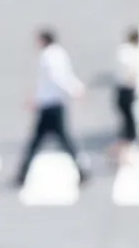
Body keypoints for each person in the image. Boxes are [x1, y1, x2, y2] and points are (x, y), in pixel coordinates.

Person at [15, 28, 89, 186]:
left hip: (50, 105)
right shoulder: (59, 54)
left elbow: (57, 78)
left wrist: (73, 90)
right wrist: (76, 88)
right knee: (56, 140)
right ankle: (81, 170)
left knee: (43, 141)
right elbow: (65, 76)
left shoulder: (48, 56)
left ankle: (22, 174)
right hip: (54, 103)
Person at [112, 28, 139, 164]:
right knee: (129, 122)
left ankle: (119, 152)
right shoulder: (132, 53)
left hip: (120, 89)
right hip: (127, 89)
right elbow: (132, 71)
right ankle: (122, 153)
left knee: (126, 120)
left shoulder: (122, 51)